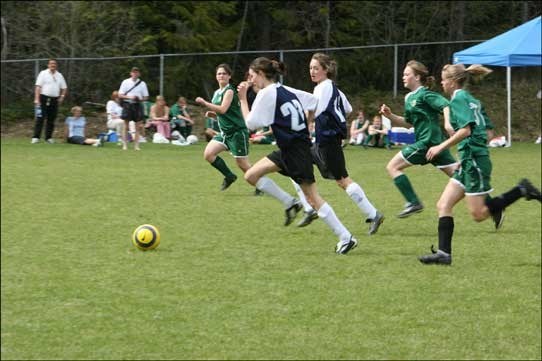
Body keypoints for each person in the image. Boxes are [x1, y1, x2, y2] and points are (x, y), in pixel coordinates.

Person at [418, 63, 542, 265]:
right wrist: (467, 153)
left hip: (474, 162)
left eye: (443, 79)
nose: (441, 82)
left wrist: (442, 147)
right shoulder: (472, 100)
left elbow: (466, 130)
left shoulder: (458, 98)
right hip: (471, 160)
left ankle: (521, 190)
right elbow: (488, 133)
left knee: (479, 214)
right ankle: (444, 254)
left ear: (452, 81)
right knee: (443, 204)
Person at [238, 57, 358, 254]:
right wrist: (304, 123)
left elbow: (250, 124)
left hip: (296, 150)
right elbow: (313, 102)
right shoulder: (284, 89)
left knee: (313, 199)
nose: (250, 81)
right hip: (289, 148)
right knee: (251, 175)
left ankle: (346, 237)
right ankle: (290, 203)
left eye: (252, 76)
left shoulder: (267, 93)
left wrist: (243, 99)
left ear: (261, 74)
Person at [307, 52, 384, 235]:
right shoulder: (333, 88)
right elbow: (348, 109)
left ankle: (373, 214)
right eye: (310, 68)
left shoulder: (322, 88)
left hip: (327, 141)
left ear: (325, 70)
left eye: (316, 68)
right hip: (326, 140)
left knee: (343, 180)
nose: (312, 71)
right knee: (295, 162)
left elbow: (313, 110)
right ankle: (307, 206)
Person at [380, 60, 458, 218]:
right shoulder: (409, 97)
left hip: (427, 142)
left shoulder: (425, 94)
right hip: (434, 146)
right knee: (461, 176)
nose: (403, 77)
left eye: (406, 74)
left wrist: (448, 123)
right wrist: (390, 115)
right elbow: (409, 123)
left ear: (416, 77)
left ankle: (413, 202)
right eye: (403, 74)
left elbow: (445, 105)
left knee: (393, 167)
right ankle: (492, 206)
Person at [195, 63, 252, 191]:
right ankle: (229, 176)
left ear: (229, 76)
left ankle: (260, 183)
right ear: (216, 76)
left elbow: (223, 109)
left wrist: (205, 103)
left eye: (224, 73)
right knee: (209, 154)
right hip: (225, 133)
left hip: (237, 132)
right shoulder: (217, 92)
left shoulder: (229, 91)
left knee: (242, 164)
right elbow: (223, 113)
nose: (221, 75)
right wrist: (213, 115)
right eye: (219, 73)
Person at [32, 58, 68, 144]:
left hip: (54, 100)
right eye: (51, 64)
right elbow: (38, 87)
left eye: (54, 64)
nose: (53, 65)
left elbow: (64, 88)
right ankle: (36, 137)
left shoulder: (59, 75)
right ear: (48, 65)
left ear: (56, 65)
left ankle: (48, 138)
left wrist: (62, 96)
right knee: (40, 118)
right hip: (43, 98)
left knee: (51, 119)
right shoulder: (43, 73)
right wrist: (37, 99)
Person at [118, 67, 149, 150]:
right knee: (126, 125)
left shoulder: (142, 83)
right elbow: (120, 95)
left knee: (138, 126)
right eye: (133, 72)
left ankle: (136, 146)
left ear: (139, 74)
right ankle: (124, 145)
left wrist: (139, 99)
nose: (135, 74)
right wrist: (129, 97)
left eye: (136, 72)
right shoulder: (125, 82)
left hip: (137, 104)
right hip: (127, 104)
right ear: (131, 73)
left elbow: (146, 97)